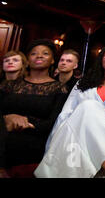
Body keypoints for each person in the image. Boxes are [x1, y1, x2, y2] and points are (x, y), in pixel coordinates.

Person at [34, 45, 105, 178]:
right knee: (89, 106)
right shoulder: (83, 82)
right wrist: (54, 142)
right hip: (78, 130)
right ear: (100, 59)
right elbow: (66, 113)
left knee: (89, 107)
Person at [0, 39, 68, 178]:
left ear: (52, 61)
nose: (39, 56)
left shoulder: (59, 89)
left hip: (35, 138)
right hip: (3, 132)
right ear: (28, 59)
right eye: (34, 53)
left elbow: (54, 122)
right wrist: (7, 119)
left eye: (45, 53)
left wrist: (25, 121)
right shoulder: (9, 85)